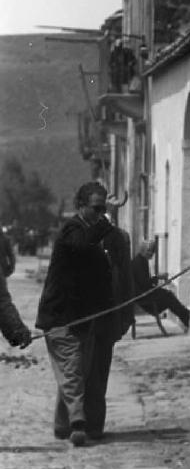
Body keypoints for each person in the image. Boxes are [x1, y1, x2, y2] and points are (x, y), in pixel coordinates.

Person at [35, 181, 133, 447]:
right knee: (74, 369)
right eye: (96, 208)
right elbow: (81, 247)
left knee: (79, 371)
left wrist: (121, 314)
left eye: (103, 208)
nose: (100, 213)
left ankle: (66, 424)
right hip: (62, 316)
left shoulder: (105, 234)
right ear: (80, 207)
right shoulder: (72, 231)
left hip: (92, 317)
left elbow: (115, 274)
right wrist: (108, 220)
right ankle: (78, 423)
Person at [131, 240, 190, 331]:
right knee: (169, 297)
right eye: (150, 251)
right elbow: (144, 284)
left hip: (145, 293)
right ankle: (187, 318)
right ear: (144, 250)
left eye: (153, 251)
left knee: (169, 296)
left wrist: (157, 278)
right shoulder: (138, 262)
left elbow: (145, 282)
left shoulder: (141, 260)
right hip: (143, 296)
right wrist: (158, 277)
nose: (152, 254)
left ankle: (186, 317)